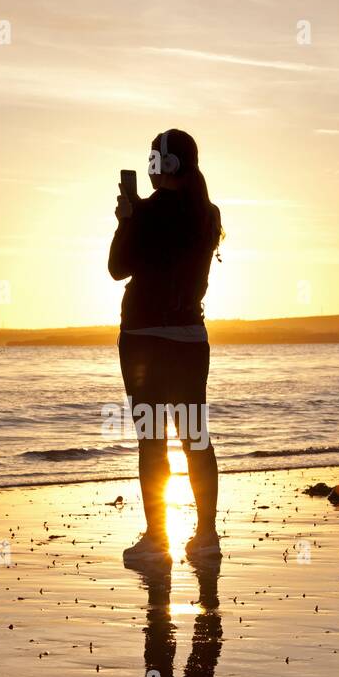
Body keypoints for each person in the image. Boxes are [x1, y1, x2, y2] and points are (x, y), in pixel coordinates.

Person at [108, 129, 223, 563]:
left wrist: (126, 221)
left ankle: (158, 539)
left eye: (155, 159)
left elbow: (118, 268)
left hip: (143, 340)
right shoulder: (208, 214)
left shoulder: (149, 212)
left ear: (167, 166)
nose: (152, 167)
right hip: (191, 338)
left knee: (151, 438)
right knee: (195, 436)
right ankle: (206, 537)